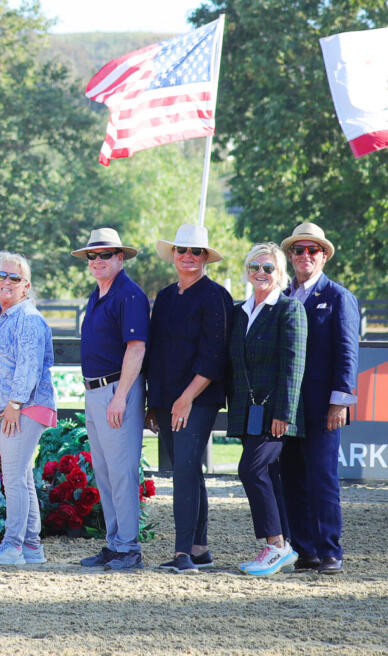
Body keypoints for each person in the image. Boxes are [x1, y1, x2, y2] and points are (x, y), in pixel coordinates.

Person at [145, 223, 232, 573]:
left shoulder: (216, 297)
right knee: (188, 469)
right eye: (182, 250)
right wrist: (154, 402)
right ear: (174, 255)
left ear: (206, 257)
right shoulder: (165, 297)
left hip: (198, 398)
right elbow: (156, 353)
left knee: (183, 469)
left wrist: (186, 399)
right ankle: (199, 548)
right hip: (165, 398)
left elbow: (214, 357)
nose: (188, 257)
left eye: (196, 252)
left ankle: (182, 552)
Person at [278, 222, 361, 575]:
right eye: (299, 250)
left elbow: (347, 352)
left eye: (313, 250)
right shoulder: (282, 297)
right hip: (287, 407)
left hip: (322, 406)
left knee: (322, 478)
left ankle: (330, 550)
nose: (306, 256)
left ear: (324, 255)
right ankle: (305, 548)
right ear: (291, 256)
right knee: (291, 477)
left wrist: (339, 402)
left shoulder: (339, 297)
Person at [0, 252, 55, 566]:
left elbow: (29, 366)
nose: (6, 281)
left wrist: (15, 404)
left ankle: (13, 547)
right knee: (22, 477)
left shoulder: (27, 318)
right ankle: (32, 548)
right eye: (1, 276)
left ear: (26, 286)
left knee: (14, 478)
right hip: (15, 407)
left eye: (14, 278)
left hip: (24, 407)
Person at [227, 242, 307, 576]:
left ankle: (277, 545)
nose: (260, 273)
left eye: (268, 268)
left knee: (251, 470)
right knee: (269, 475)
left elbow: (294, 364)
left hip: (276, 412)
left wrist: (284, 414)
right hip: (248, 410)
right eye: (254, 267)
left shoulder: (289, 309)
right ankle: (282, 546)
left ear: (280, 273)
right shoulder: (241, 310)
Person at [72, 227, 149, 570]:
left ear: (120, 258)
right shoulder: (97, 294)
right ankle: (115, 544)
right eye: (93, 255)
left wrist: (120, 397)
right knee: (104, 472)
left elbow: (136, 349)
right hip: (95, 391)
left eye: (105, 254)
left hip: (118, 390)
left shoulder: (129, 295)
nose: (98, 260)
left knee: (121, 472)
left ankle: (129, 548)